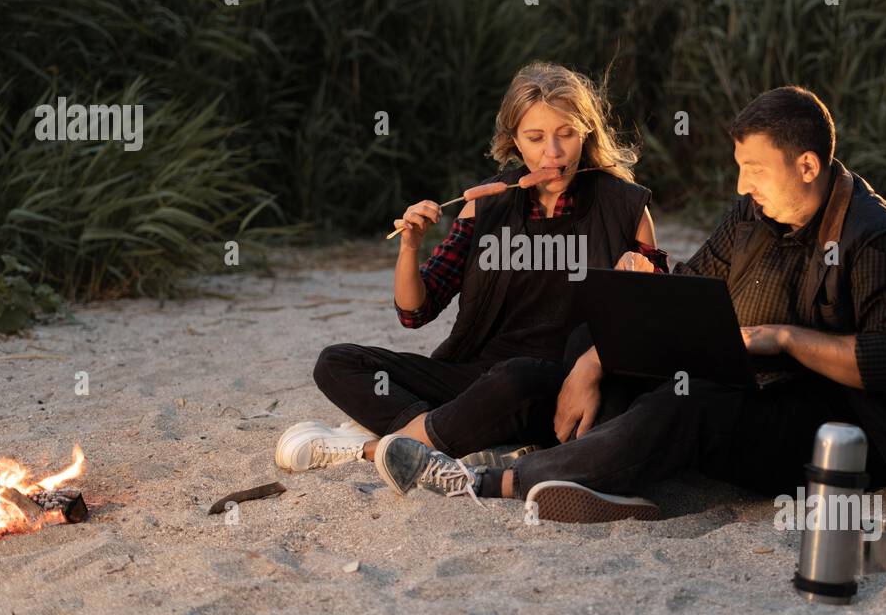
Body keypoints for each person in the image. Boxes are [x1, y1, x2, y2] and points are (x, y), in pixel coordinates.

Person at [371, 86, 886, 517]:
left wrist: (780, 338)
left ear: (807, 164)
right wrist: (592, 362)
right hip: (757, 385)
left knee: (690, 401)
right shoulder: (754, 215)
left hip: (836, 427)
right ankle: (599, 480)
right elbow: (686, 292)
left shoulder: (881, 241)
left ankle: (486, 481)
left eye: (753, 168)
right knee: (588, 355)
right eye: (738, 166)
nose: (742, 184)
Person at [276, 61, 667, 474]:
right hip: (473, 379)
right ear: (514, 141)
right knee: (336, 363)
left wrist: (642, 275)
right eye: (535, 138)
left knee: (516, 379)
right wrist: (410, 247)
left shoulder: (626, 207)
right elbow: (415, 312)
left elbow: (659, 317)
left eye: (566, 134)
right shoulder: (484, 206)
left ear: (586, 131)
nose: (552, 153)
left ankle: (379, 448)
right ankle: (454, 435)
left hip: (559, 388)